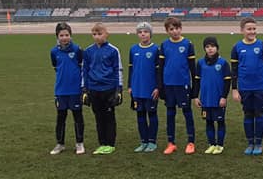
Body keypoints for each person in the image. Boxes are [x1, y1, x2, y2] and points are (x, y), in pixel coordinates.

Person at [230, 17, 263, 155]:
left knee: (259, 113)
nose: (252, 31)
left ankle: (258, 143)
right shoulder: (237, 47)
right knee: (248, 114)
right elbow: (234, 70)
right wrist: (234, 89)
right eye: (249, 29)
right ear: (242, 30)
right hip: (244, 88)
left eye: (254, 29)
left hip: (260, 87)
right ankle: (250, 143)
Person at [157, 16, 197, 155]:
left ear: (181, 29)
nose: (175, 31)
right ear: (167, 31)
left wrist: (194, 87)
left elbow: (192, 68)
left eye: (177, 28)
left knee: (187, 113)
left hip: (183, 84)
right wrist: (160, 86)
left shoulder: (188, 44)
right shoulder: (164, 45)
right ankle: (171, 143)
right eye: (171, 29)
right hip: (168, 85)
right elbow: (161, 67)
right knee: (170, 114)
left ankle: (191, 142)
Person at [82, 22, 123, 155]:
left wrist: (119, 90)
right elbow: (85, 70)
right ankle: (102, 143)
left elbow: (118, 69)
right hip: (94, 89)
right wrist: (84, 89)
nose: (97, 36)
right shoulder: (88, 51)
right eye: (94, 34)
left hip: (108, 88)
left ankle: (110, 144)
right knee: (98, 117)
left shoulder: (113, 50)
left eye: (100, 34)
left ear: (106, 34)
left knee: (109, 117)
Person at [49, 22, 86, 155]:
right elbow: (55, 67)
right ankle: (60, 144)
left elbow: (82, 68)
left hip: (75, 90)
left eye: (67, 35)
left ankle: (79, 143)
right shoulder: (54, 51)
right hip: (61, 90)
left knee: (77, 117)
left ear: (70, 35)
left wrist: (82, 87)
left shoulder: (77, 50)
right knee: (61, 118)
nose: (64, 38)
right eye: (61, 35)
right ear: (57, 36)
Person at [193, 36, 231, 154]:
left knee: (220, 122)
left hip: (218, 99)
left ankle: (220, 145)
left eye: (213, 46)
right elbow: (197, 81)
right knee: (208, 122)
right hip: (205, 99)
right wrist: (195, 97)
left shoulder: (223, 63)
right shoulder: (200, 63)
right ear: (204, 49)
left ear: (217, 48)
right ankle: (212, 144)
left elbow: (227, 82)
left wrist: (224, 97)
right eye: (207, 47)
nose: (210, 49)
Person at [128, 21, 160, 152]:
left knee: (152, 114)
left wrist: (158, 87)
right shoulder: (133, 49)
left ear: (150, 34)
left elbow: (159, 71)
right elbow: (131, 69)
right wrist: (130, 85)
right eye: (140, 32)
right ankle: (143, 141)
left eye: (146, 32)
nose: (143, 34)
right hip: (137, 88)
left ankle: (152, 141)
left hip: (151, 89)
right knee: (140, 115)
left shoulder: (156, 49)